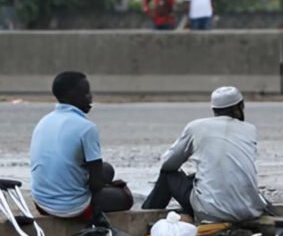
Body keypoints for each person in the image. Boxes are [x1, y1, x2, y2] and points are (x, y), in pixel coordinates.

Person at [142, 86, 267, 223]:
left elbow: (168, 164)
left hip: (212, 213)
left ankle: (145, 216)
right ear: (241, 105)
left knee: (168, 176)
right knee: (200, 179)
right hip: (249, 211)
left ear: (213, 110)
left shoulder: (196, 127)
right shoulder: (250, 130)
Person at [30, 72, 133, 220]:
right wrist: (110, 188)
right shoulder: (86, 128)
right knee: (124, 198)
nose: (90, 97)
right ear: (68, 96)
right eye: (85, 93)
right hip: (71, 208)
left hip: (41, 203)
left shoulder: (44, 122)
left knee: (107, 169)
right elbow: (96, 184)